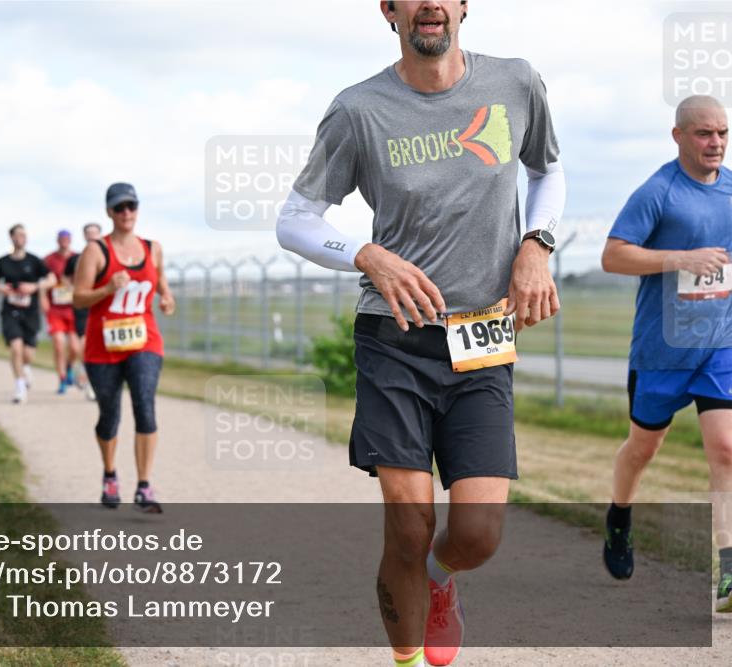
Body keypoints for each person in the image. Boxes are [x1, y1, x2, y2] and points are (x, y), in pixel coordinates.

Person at [276, 2, 566, 665]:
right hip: (394, 337)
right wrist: (364, 254)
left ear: (464, 6)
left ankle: (441, 578)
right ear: (389, 9)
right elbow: (295, 217)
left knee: (478, 532)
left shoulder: (515, 83)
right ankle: (407, 657)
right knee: (408, 523)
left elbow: (547, 168)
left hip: (482, 337)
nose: (430, 3)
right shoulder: (358, 110)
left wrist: (537, 244)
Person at [600, 94, 732, 612]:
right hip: (661, 351)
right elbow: (613, 255)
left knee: (726, 449)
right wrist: (681, 258)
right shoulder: (658, 192)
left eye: (722, 133)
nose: (715, 143)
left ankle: (728, 570)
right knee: (643, 450)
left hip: (719, 346)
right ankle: (619, 514)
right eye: (704, 133)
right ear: (678, 136)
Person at [74, 183, 175, 513]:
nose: (126, 212)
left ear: (138, 209)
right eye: (119, 207)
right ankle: (110, 475)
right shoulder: (95, 251)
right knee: (110, 415)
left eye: (131, 206)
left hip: (144, 340)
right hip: (103, 346)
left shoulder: (152, 248)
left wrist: (166, 297)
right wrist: (106, 288)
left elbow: (160, 282)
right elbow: (78, 297)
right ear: (109, 212)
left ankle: (144, 486)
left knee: (145, 406)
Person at [0, 224, 56, 404]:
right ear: (11, 237)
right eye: (18, 235)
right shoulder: (3, 261)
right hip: (10, 310)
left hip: (31, 311)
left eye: (24, 235)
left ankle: (25, 368)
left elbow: (52, 280)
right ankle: (19, 386)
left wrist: (34, 287)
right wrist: (1, 288)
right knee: (15, 347)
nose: (22, 238)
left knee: (28, 353)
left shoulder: (34, 260)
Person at [42, 230, 85, 394]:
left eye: (67, 239)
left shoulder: (78, 258)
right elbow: (42, 280)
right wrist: (43, 297)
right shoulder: (49, 259)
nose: (64, 242)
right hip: (55, 308)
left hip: (73, 308)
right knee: (59, 344)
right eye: (61, 239)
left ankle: (68, 368)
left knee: (75, 348)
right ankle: (61, 379)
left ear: (71, 241)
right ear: (57, 241)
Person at [67, 223, 104, 401]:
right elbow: (65, 279)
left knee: (99, 346)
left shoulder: (108, 255)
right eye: (88, 234)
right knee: (85, 344)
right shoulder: (76, 259)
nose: (91, 237)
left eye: (94, 234)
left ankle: (86, 374)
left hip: (102, 305)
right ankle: (88, 381)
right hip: (83, 306)